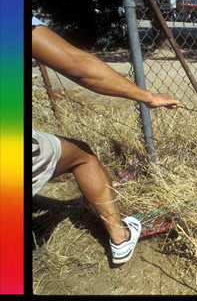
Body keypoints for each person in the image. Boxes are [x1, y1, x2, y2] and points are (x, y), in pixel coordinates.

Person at [32, 16, 180, 264]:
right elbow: (77, 65)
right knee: (83, 156)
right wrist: (148, 97)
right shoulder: (9, 4)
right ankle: (120, 237)